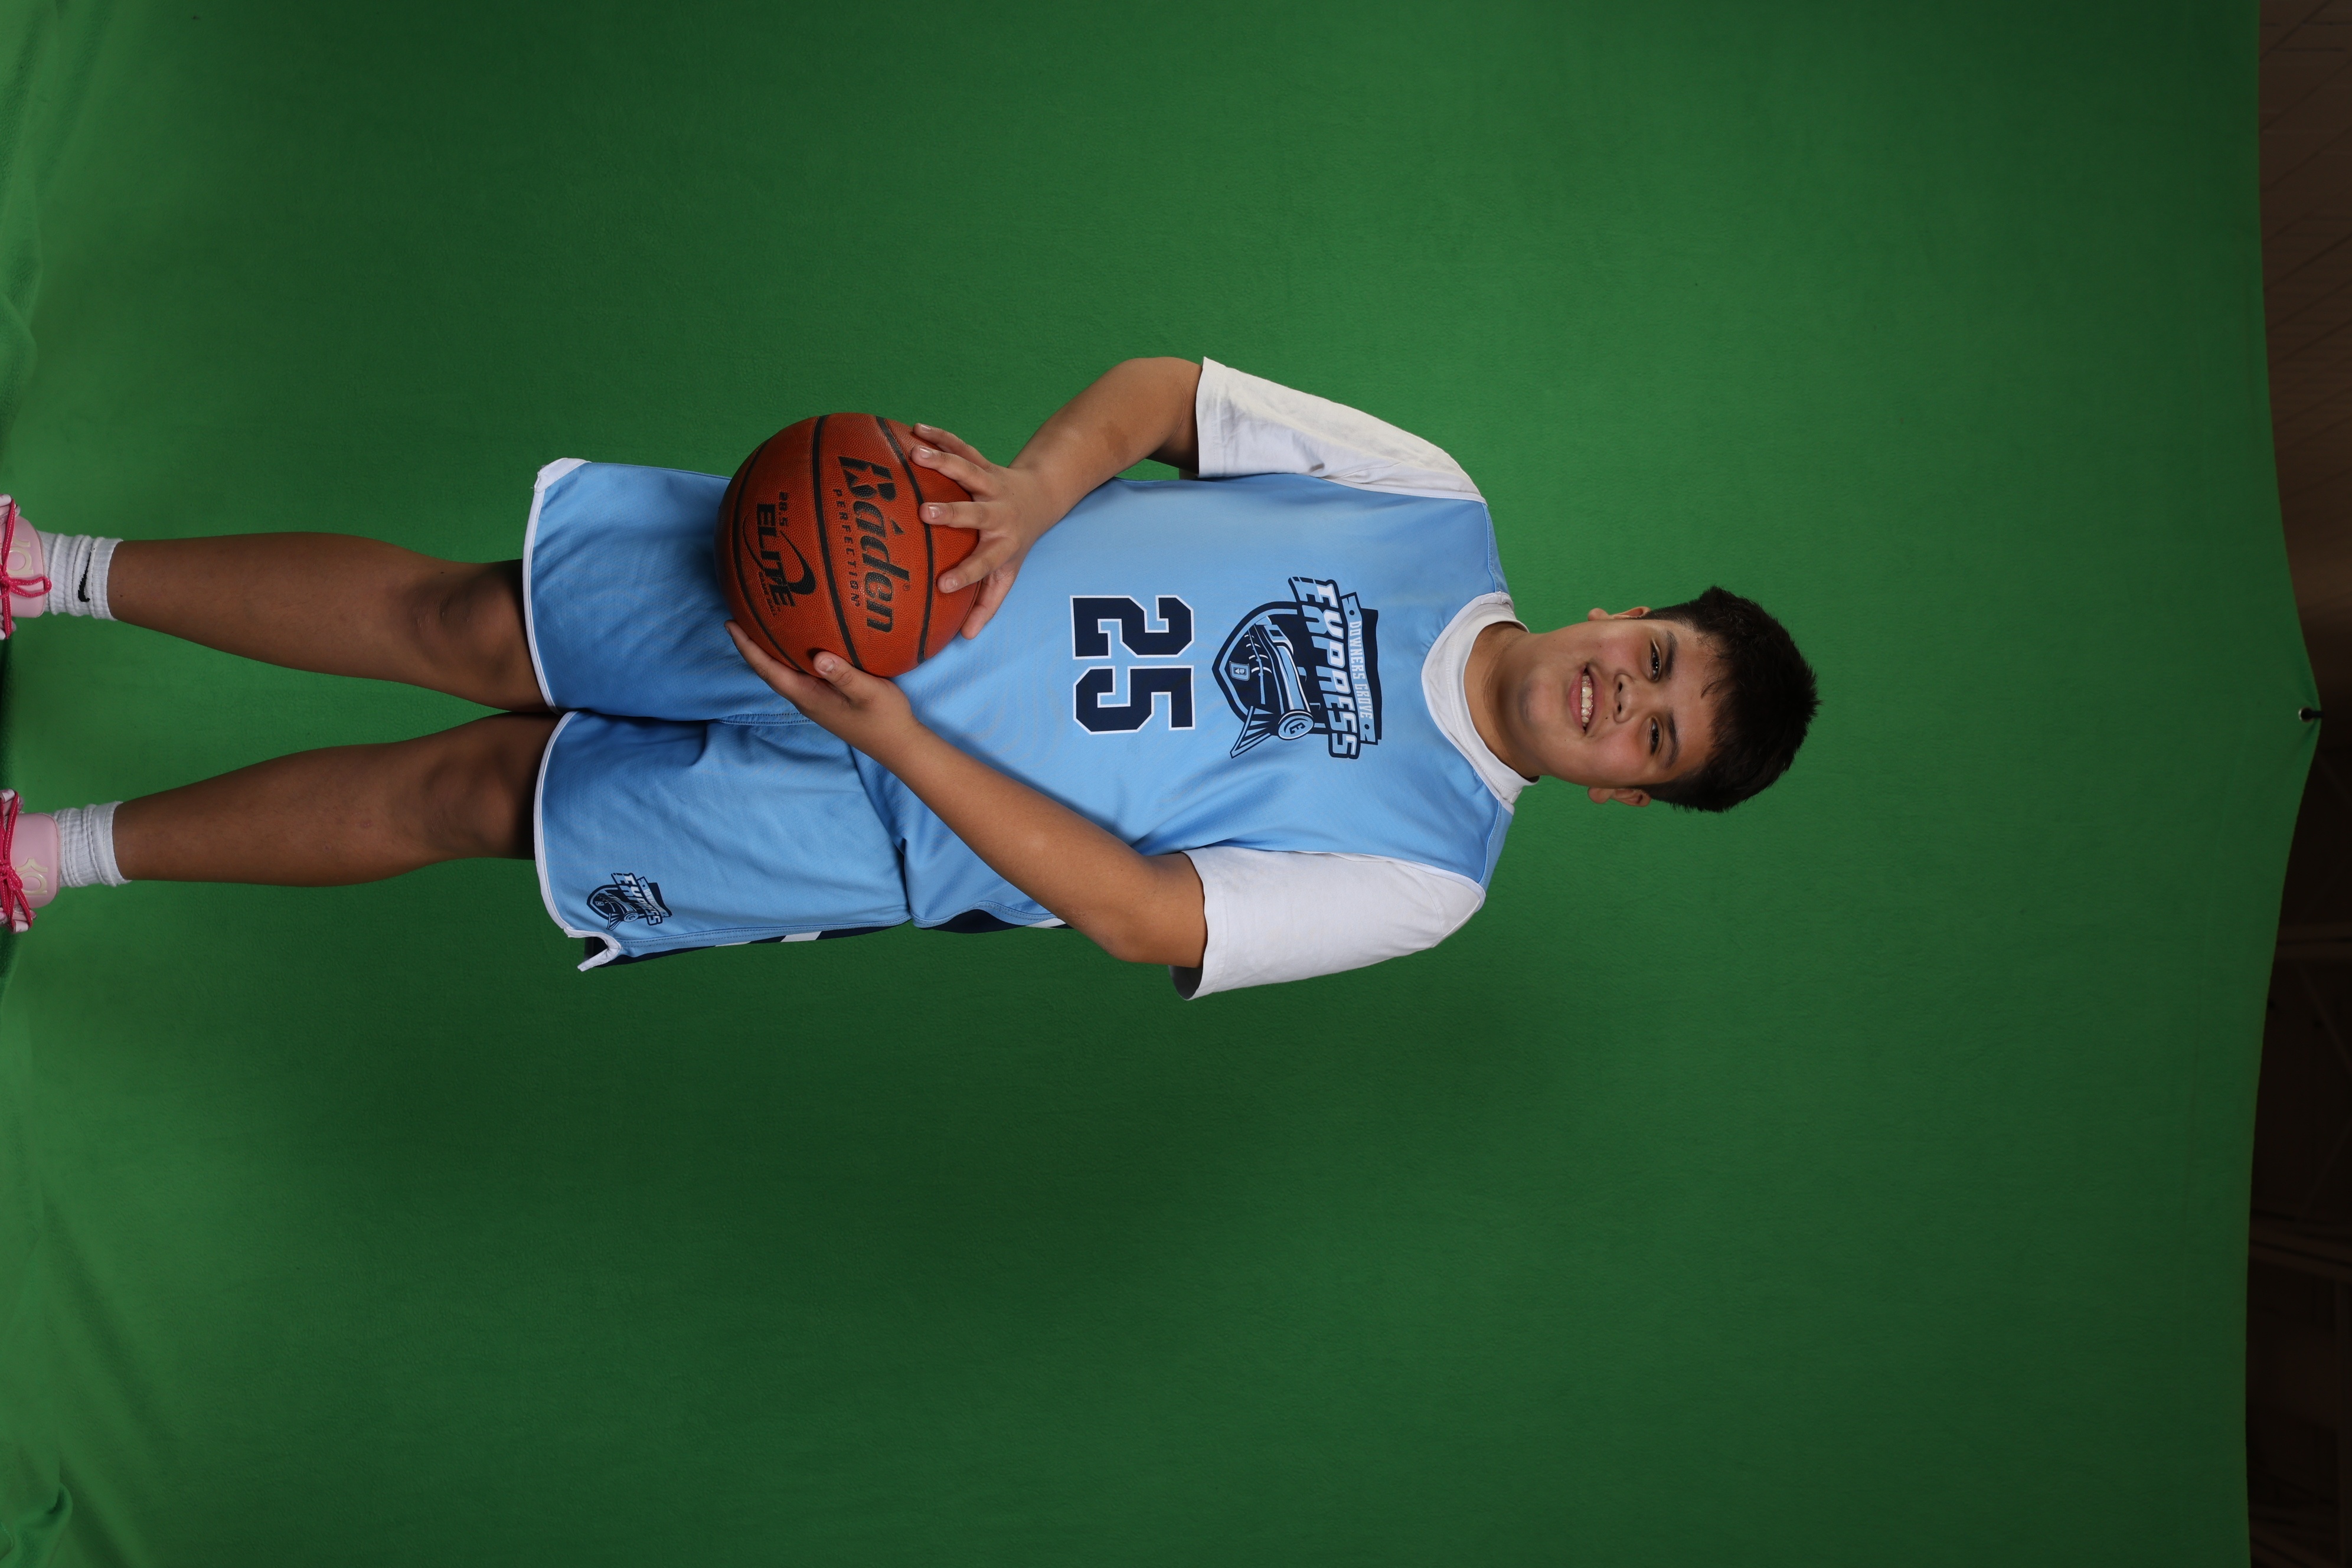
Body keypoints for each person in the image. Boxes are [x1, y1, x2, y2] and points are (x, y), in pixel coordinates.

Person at [0, 358, 1818, 995]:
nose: (1624, 698)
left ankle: (48, 855)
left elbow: (1141, 914)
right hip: (885, 578)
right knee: (467, 625)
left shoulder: (1433, 876)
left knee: (472, 794)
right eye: (1653, 660)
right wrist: (1027, 493)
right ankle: (48, 567)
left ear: (1622, 794)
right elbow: (1169, 395)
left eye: (1655, 740)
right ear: (1623, 612)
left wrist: (897, 741)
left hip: (872, 820)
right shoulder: (1431, 503)